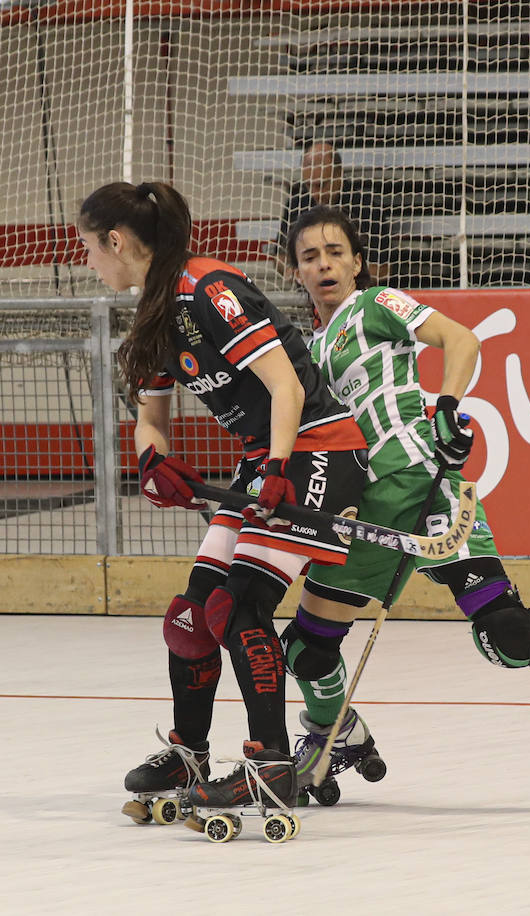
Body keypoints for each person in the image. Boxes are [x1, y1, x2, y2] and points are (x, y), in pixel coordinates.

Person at [283, 205, 530, 811]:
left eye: (335, 252)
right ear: (296, 273)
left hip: (425, 482)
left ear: (357, 262)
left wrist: (446, 407)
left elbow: (460, 338)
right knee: (307, 648)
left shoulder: (377, 304)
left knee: (506, 630)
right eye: (310, 257)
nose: (325, 264)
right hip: (364, 506)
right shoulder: (308, 349)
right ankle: (335, 734)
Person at [79, 181, 370, 816]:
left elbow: (287, 389)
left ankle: (270, 764)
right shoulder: (154, 315)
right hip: (261, 461)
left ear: (116, 240)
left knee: (240, 608)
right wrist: (151, 460)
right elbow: (150, 418)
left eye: (89, 249)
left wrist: (274, 469)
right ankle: (190, 751)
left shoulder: (209, 290)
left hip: (318, 448)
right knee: (191, 614)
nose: (87, 262)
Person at [275, 140, 393, 285]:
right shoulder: (297, 204)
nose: (315, 193)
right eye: (308, 185)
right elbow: (280, 256)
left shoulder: (367, 209)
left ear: (338, 174)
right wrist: (292, 270)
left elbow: (383, 269)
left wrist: (338, 275)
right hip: (307, 294)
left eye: (321, 184)